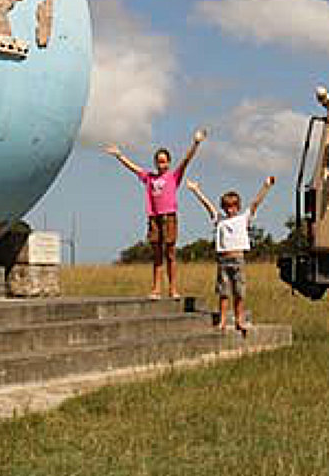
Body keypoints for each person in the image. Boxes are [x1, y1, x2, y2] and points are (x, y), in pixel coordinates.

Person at [103, 129, 206, 298]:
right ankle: (156, 288)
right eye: (158, 162)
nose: (161, 165)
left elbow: (186, 160)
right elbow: (135, 169)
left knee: (170, 254)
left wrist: (196, 143)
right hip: (154, 218)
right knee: (157, 255)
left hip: (169, 217)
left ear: (169, 163)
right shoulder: (150, 178)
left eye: (164, 162)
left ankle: (173, 288)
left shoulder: (173, 177)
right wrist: (119, 156)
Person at [186, 175, 274, 334]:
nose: (230, 209)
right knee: (224, 293)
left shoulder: (243, 218)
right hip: (223, 261)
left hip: (238, 260)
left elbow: (255, 203)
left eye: (233, 206)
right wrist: (196, 190)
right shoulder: (220, 220)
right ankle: (223, 321)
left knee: (239, 292)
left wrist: (266, 186)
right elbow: (208, 206)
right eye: (227, 206)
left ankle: (239, 320)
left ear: (238, 207)